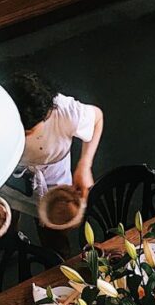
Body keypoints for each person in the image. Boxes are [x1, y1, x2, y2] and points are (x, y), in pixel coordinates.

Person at [6, 72, 104, 257]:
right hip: (10, 177)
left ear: (46, 115)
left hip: (52, 183)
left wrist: (84, 164)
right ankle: (12, 245)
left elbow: (97, 118)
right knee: (6, 222)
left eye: (27, 131)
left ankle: (55, 263)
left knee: (54, 238)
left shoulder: (66, 112)